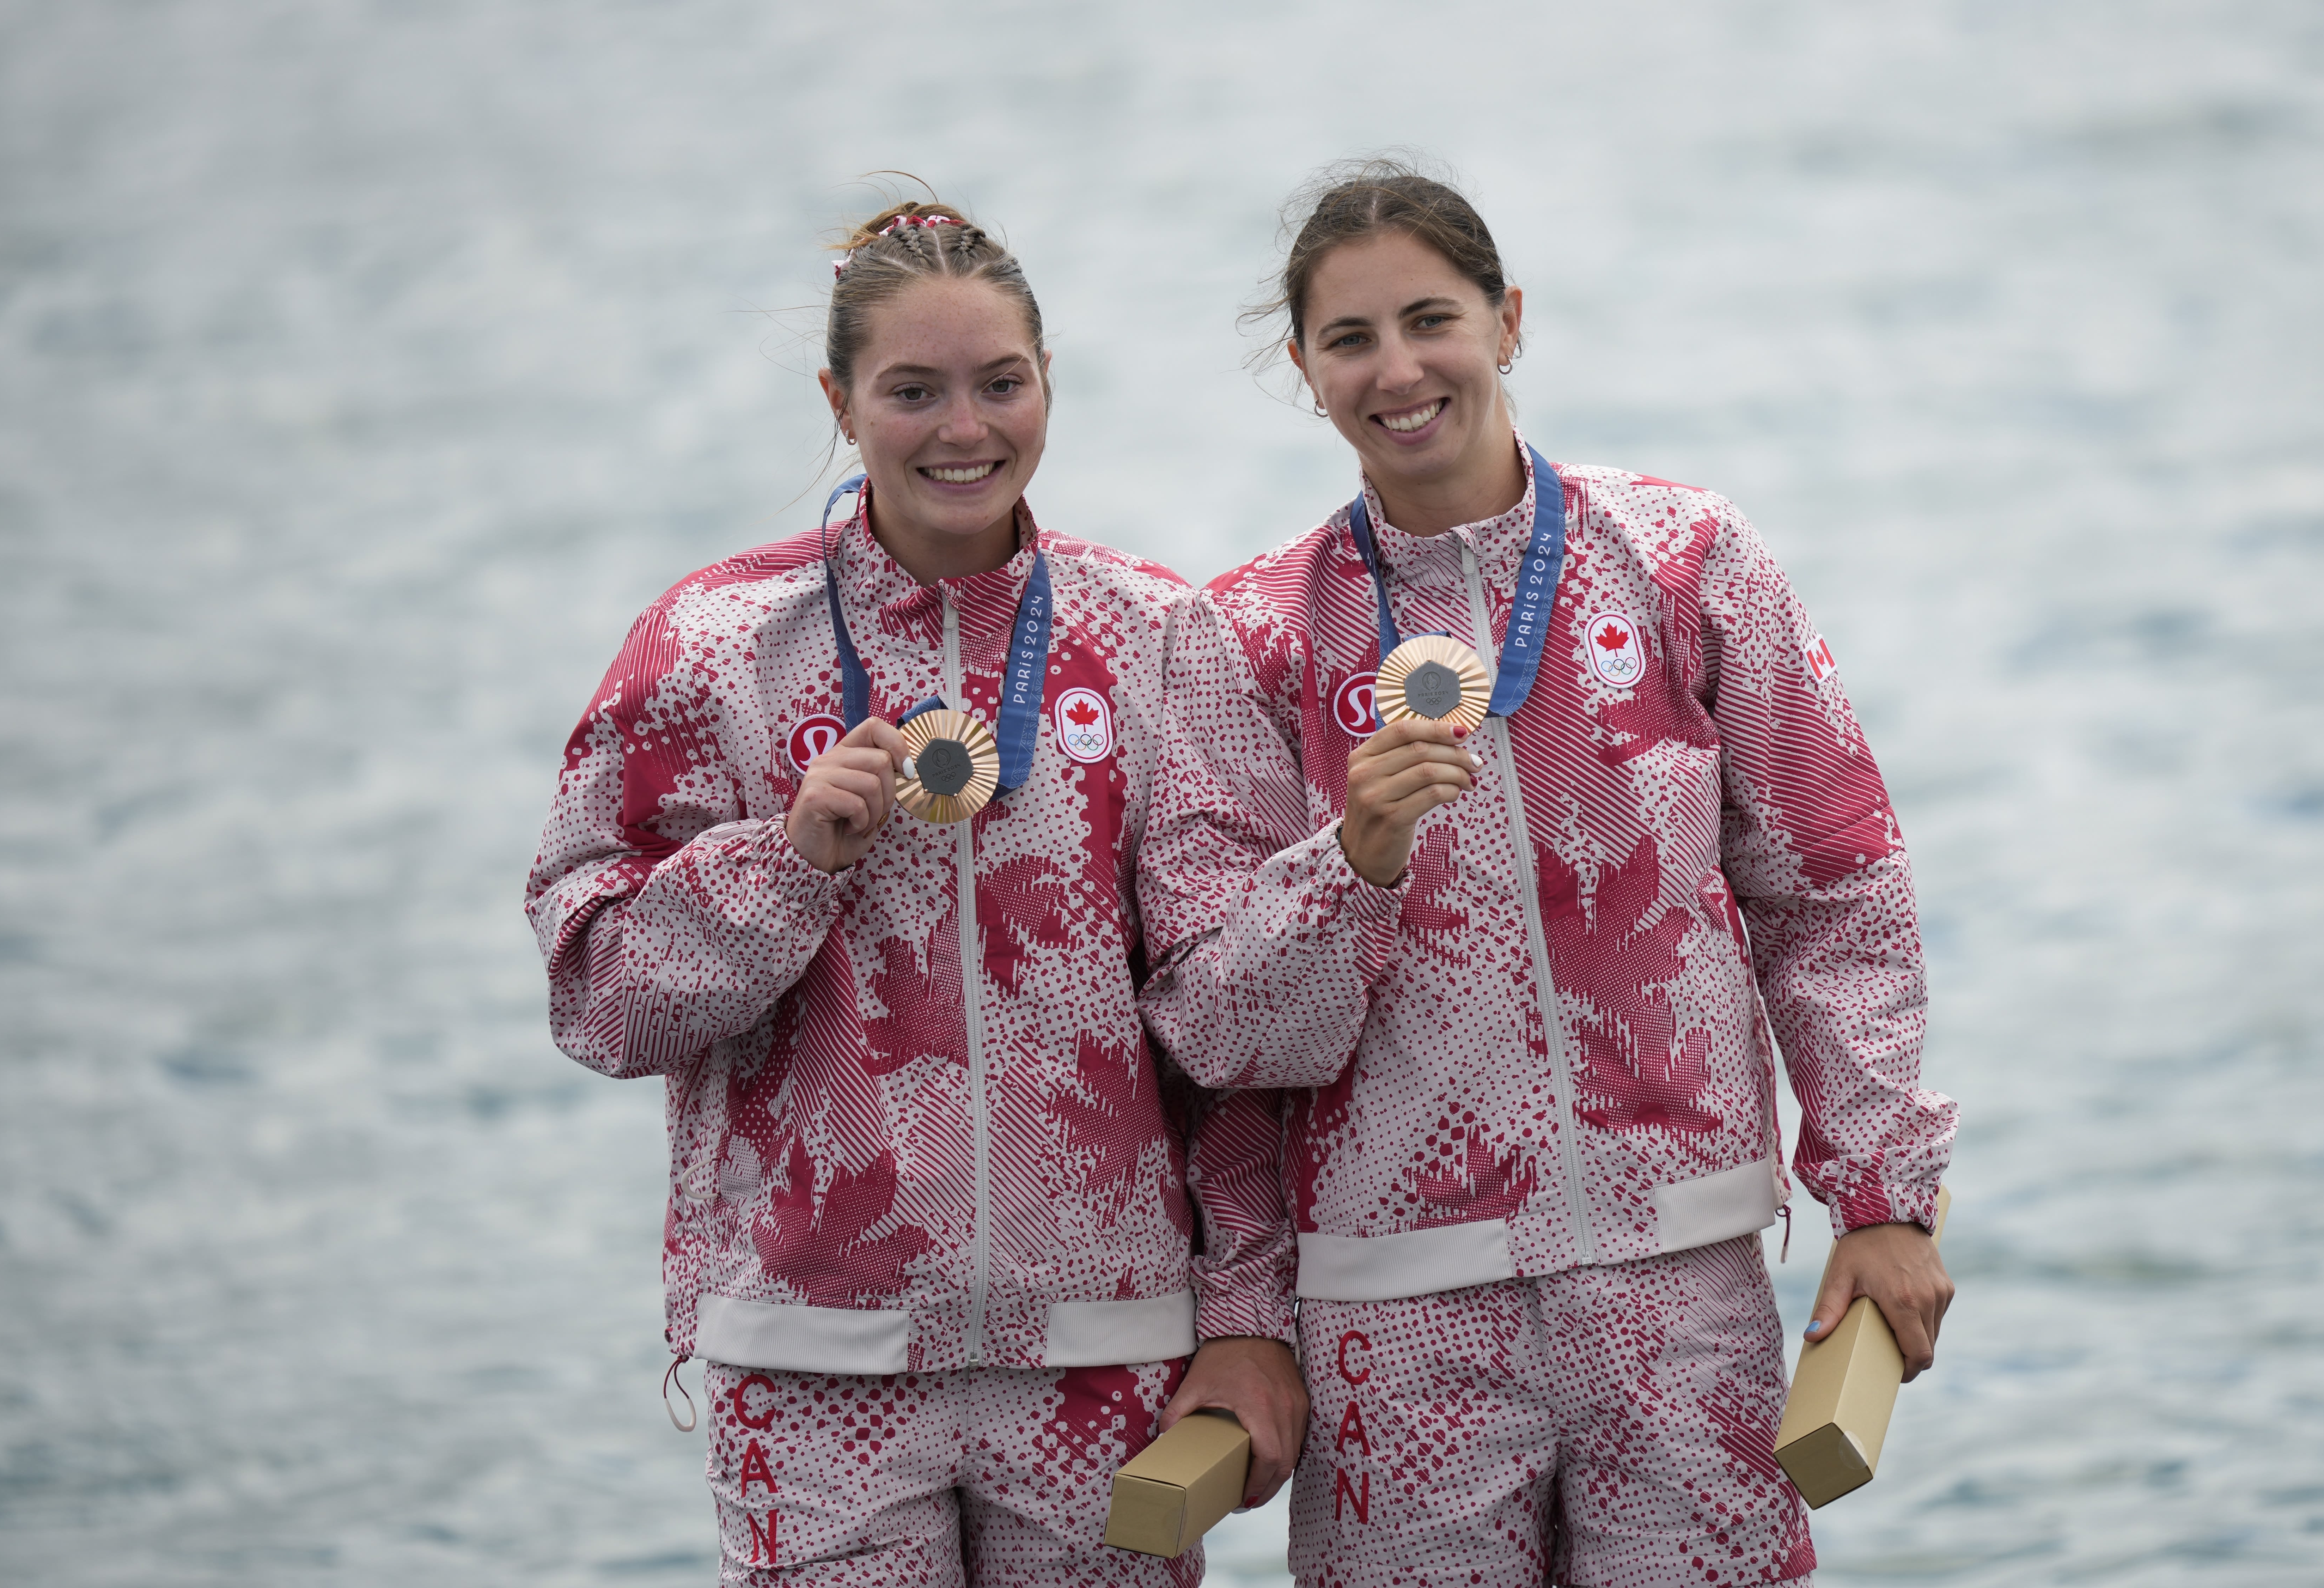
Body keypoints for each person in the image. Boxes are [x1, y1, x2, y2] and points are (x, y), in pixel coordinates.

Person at [525, 199, 1392, 1585]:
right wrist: (786, 861)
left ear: (1049, 382)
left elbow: (1225, 1030)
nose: (963, 429)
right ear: (838, 399)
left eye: (1002, 384)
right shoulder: (712, 650)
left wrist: (1244, 1311)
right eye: (911, 391)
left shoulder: (1156, 638)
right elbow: (600, 1005)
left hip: (1103, 1354)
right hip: (811, 1364)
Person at [1150, 160, 1959, 1587]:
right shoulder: (1250, 638)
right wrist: (1355, 864)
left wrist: (1879, 1195)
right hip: (1393, 1321)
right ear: (1304, 370)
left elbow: (1834, 891)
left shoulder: (1687, 561)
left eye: (1431, 320)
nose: (1398, 370)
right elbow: (1216, 1036)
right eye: (1350, 341)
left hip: (1679, 1275)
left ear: (1508, 319)